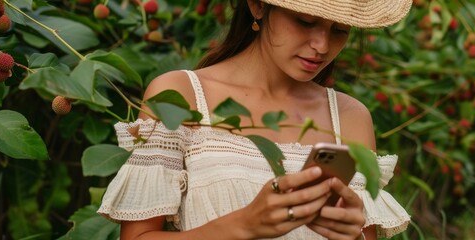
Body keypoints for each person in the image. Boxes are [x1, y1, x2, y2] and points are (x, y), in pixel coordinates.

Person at [98, 0, 413, 239]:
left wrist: (351, 231)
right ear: (257, 6)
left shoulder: (350, 117)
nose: (322, 46)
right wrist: (244, 224)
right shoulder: (181, 95)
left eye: (340, 29)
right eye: (305, 22)